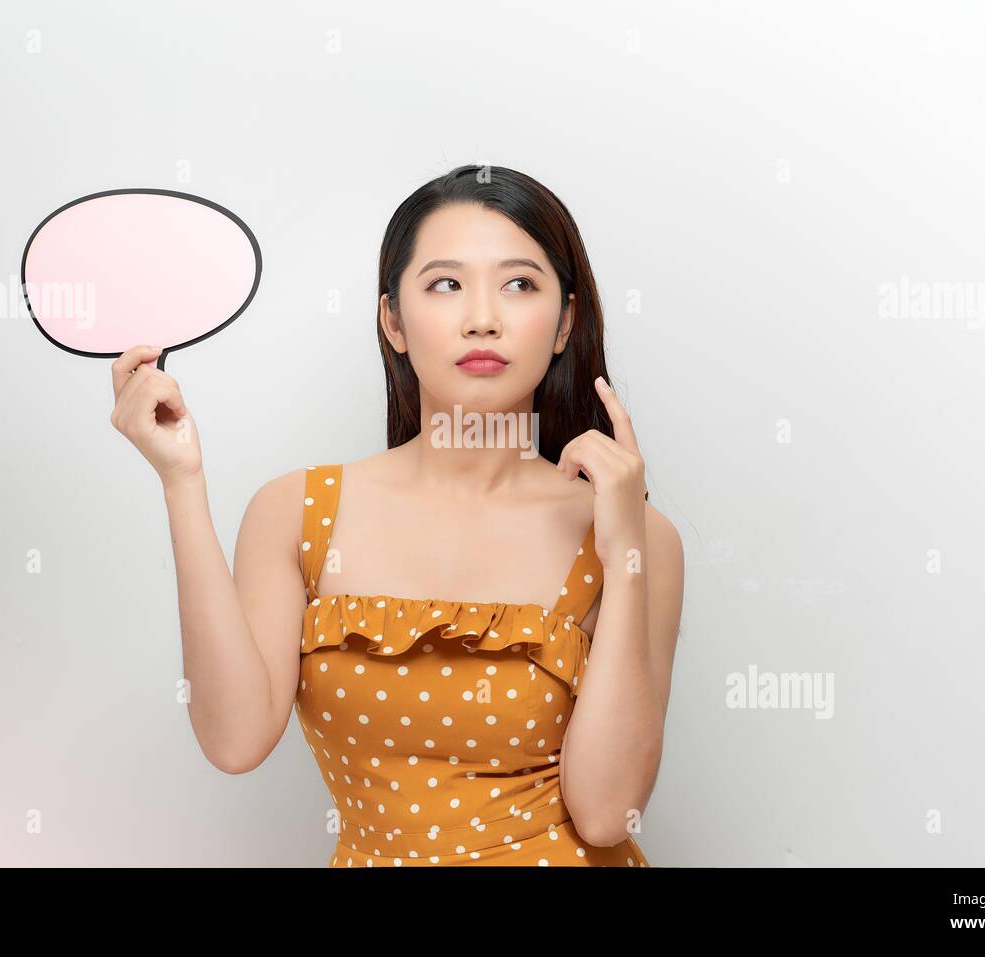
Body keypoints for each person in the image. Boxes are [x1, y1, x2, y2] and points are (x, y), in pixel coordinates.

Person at [109, 164, 685, 866]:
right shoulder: (295, 511)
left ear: (565, 322)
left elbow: (604, 812)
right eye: (446, 283)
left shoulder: (635, 533)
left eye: (520, 284)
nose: (482, 316)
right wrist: (181, 481)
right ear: (393, 320)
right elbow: (234, 741)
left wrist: (624, 547)